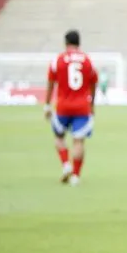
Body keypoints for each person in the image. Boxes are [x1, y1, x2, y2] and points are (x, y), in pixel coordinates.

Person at [45, 30, 97, 186]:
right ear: (79, 43)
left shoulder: (58, 60)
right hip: (82, 106)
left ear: (65, 43)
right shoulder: (87, 61)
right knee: (78, 141)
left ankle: (66, 165)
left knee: (59, 137)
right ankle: (75, 175)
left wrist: (47, 104)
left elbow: (50, 83)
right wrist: (92, 102)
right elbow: (94, 82)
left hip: (63, 106)